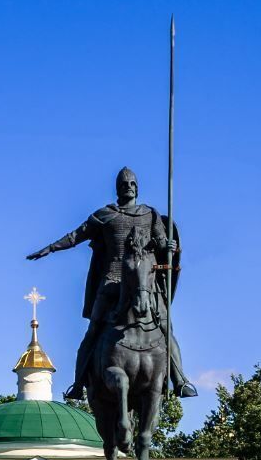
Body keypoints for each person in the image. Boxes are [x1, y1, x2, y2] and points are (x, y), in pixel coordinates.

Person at [27, 166, 197, 400]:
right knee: (94, 329)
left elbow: (159, 242)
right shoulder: (106, 215)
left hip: (145, 283)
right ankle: (78, 384)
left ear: (137, 187)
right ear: (117, 188)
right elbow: (76, 236)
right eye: (124, 184)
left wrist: (168, 246)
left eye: (132, 183)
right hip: (112, 279)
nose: (128, 187)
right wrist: (50, 248)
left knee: (166, 329)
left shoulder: (150, 214)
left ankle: (179, 379)